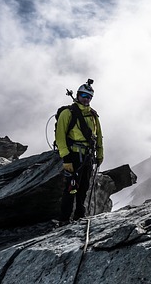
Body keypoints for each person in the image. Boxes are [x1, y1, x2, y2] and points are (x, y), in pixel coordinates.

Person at [55, 80, 103, 223]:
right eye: (83, 95)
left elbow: (98, 136)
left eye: (89, 96)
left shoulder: (93, 116)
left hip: (88, 156)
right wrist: (66, 158)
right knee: (71, 188)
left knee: (84, 188)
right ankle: (64, 219)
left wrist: (100, 154)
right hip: (73, 155)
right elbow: (60, 137)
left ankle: (79, 216)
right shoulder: (67, 113)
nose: (86, 98)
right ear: (77, 95)